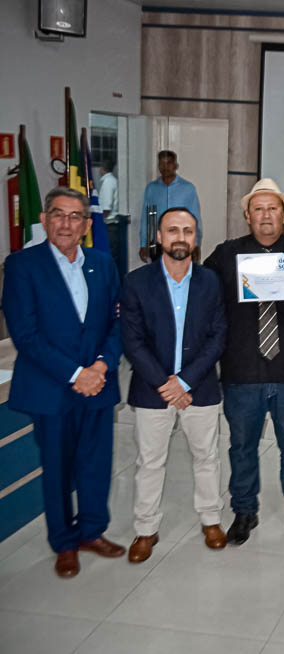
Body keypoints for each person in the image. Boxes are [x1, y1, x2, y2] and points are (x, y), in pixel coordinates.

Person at [2, 186, 124, 578]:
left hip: (99, 386)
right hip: (52, 388)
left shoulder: (103, 263)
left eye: (75, 217)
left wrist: (101, 367)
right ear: (44, 218)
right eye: (58, 214)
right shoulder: (22, 266)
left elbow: (117, 323)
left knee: (95, 463)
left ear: (88, 224)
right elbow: (26, 334)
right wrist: (76, 374)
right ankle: (64, 541)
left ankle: (91, 531)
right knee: (56, 468)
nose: (66, 223)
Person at [204, 178, 284, 546]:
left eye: (272, 208)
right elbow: (201, 299)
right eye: (258, 208)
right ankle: (244, 512)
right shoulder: (225, 256)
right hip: (241, 371)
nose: (266, 215)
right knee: (241, 447)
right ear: (247, 215)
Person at [120, 207, 228, 562]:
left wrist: (184, 381)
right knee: (150, 462)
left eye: (187, 231)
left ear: (196, 239)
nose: (180, 237)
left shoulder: (211, 281)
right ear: (159, 237)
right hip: (153, 390)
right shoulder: (136, 283)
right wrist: (166, 384)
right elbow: (132, 341)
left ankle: (211, 519)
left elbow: (217, 336)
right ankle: (145, 529)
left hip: (200, 387)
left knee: (206, 457)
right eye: (173, 230)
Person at [140, 150, 201, 262]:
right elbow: (146, 218)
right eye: (162, 163)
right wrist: (143, 244)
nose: (165, 167)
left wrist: (196, 245)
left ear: (176, 165)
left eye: (169, 163)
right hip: (158, 242)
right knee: (158, 276)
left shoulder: (188, 188)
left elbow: (195, 218)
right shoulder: (151, 188)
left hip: (181, 241)